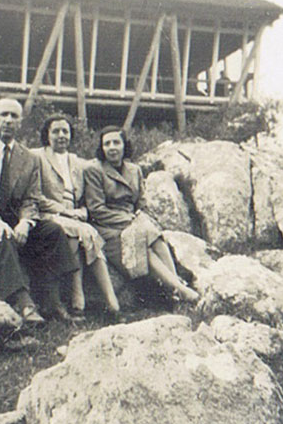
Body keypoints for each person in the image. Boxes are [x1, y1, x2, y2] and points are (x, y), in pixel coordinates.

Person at [0, 97, 79, 323]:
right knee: (2, 238)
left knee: (52, 232)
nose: (8, 120)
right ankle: (23, 304)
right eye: (4, 115)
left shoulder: (28, 157)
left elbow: (31, 197)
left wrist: (25, 222)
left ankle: (52, 302)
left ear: (20, 123)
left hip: (11, 218)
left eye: (14, 116)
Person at [83, 126, 199, 302]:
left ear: (124, 145)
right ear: (102, 148)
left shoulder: (134, 169)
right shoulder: (94, 170)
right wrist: (129, 220)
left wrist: (139, 217)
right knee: (143, 247)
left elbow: (141, 201)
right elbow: (96, 209)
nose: (112, 147)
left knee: (155, 236)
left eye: (116, 142)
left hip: (132, 221)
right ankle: (180, 289)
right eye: (107, 144)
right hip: (108, 227)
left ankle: (176, 285)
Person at [32, 114, 120, 319]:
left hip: (73, 218)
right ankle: (82, 296)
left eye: (65, 131)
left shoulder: (77, 161)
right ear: (47, 135)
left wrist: (83, 211)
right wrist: (65, 211)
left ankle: (109, 302)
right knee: (86, 232)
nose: (61, 135)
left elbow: (86, 197)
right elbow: (35, 195)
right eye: (56, 131)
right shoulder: (37, 156)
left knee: (80, 234)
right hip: (49, 214)